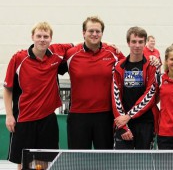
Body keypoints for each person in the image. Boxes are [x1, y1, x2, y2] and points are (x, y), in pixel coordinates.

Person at [3, 22, 73, 170]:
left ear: (51, 38)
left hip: (48, 119)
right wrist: (9, 115)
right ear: (32, 37)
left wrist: (108, 44)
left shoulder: (56, 53)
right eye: (39, 36)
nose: (42, 39)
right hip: (24, 119)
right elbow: (8, 89)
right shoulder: (18, 58)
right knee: (23, 162)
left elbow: (83, 43)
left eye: (46, 36)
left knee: (46, 162)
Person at [60, 16, 125, 149]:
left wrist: (152, 58)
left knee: (105, 161)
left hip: (105, 116)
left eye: (98, 31)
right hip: (78, 116)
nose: (94, 34)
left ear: (102, 33)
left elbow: (132, 65)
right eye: (91, 31)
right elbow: (50, 65)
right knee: (78, 161)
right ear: (83, 33)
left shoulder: (113, 53)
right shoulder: (71, 54)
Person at [112, 26, 159, 149]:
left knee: (143, 164)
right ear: (128, 43)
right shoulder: (118, 67)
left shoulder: (152, 66)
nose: (137, 45)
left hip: (145, 124)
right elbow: (115, 97)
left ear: (145, 44)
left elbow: (150, 95)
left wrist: (128, 116)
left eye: (140, 42)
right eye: (134, 41)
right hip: (124, 124)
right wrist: (123, 125)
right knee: (123, 164)